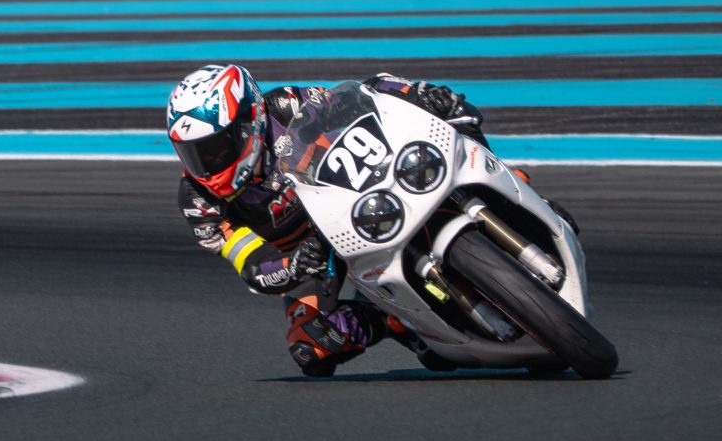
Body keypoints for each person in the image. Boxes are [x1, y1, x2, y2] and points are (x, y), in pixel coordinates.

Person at [168, 64, 488, 376]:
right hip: (311, 255)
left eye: (214, 149)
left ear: (248, 121)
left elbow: (366, 95)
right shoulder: (199, 201)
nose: (206, 165)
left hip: (351, 195)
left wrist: (418, 94)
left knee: (447, 122)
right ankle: (396, 321)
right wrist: (293, 265)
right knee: (312, 347)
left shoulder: (285, 107)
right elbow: (251, 265)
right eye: (192, 153)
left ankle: (492, 191)